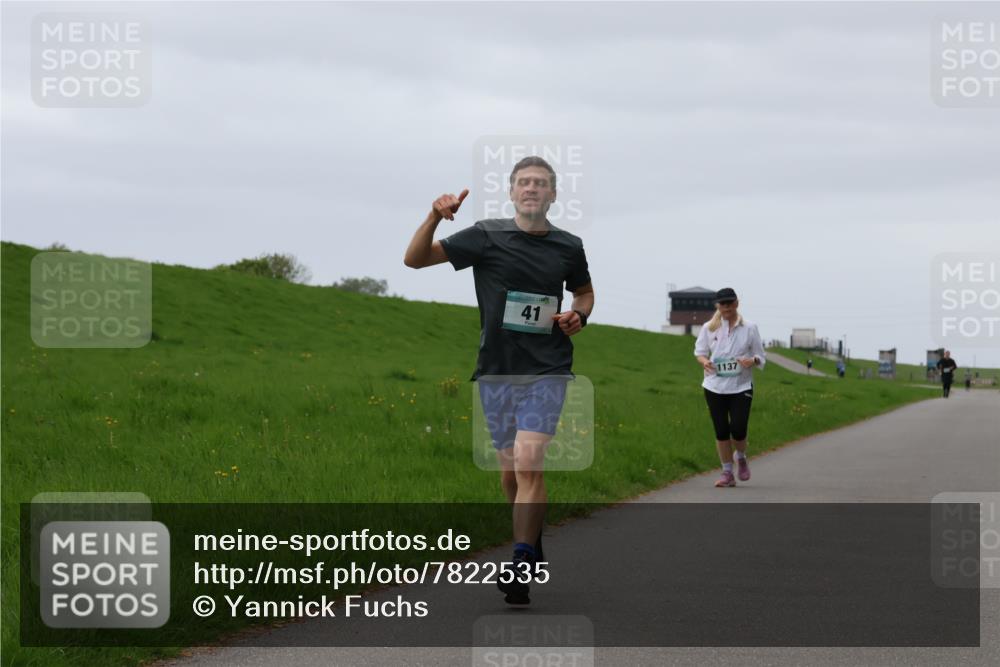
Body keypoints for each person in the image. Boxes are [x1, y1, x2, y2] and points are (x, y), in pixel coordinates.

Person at [404, 156, 594, 604]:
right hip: (497, 369)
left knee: (529, 461)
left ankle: (521, 561)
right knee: (510, 473)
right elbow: (414, 261)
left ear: (553, 194)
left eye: (541, 183)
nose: (531, 188)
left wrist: (578, 315)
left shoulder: (569, 245)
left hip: (548, 367)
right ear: (511, 192)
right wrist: (434, 216)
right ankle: (531, 538)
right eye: (524, 182)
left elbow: (583, 291)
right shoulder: (485, 236)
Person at [695, 288, 766, 488]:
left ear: (736, 303)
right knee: (721, 430)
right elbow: (699, 352)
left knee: (738, 427)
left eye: (729, 303)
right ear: (718, 305)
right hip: (714, 385)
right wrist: (704, 362)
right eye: (722, 304)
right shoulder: (709, 327)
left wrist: (752, 360)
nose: (726, 307)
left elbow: (761, 356)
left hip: (740, 385)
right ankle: (727, 472)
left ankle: (741, 457)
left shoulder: (750, 328)